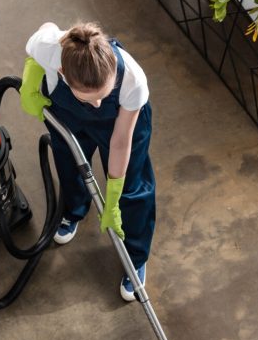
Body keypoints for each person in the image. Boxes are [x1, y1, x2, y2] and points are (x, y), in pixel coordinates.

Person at [19, 21, 156, 301]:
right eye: (89, 97)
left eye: (102, 96)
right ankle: (74, 210)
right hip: (68, 113)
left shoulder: (133, 81)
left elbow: (120, 142)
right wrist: (30, 83)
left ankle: (135, 256)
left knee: (131, 185)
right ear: (62, 72)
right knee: (69, 161)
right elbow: (39, 37)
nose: (96, 104)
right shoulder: (49, 48)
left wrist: (114, 197)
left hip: (120, 123)